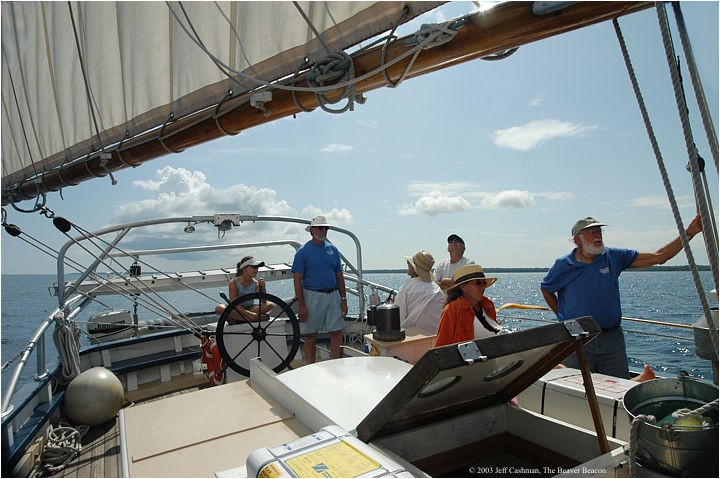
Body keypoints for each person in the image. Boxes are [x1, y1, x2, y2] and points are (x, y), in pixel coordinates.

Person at [540, 214, 703, 379]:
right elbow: (546, 288)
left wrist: (689, 232)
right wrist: (563, 316)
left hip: (611, 337)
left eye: (599, 232)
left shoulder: (614, 257)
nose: (598, 236)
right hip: (577, 337)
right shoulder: (563, 265)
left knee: (618, 385)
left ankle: (637, 380)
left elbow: (659, 257)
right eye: (592, 232)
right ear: (578, 239)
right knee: (575, 386)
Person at [292, 216, 348, 364]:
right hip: (312, 296)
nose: (323, 231)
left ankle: (338, 365)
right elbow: (297, 279)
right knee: (311, 336)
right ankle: (310, 368)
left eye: (326, 228)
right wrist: (301, 305)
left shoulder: (333, 250)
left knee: (336, 334)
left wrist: (344, 300)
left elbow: (339, 276)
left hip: (333, 295)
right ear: (311, 230)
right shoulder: (303, 252)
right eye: (320, 228)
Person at [435, 265, 501, 347]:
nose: (482, 287)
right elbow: (442, 345)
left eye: (484, 283)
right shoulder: (452, 309)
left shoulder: (488, 304)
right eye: (478, 283)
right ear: (463, 287)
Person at [395, 251, 445, 334]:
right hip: (435, 337)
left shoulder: (406, 288)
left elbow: (397, 317)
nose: (408, 265)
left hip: (413, 338)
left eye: (409, 264)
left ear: (414, 269)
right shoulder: (437, 289)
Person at [215, 256, 273, 323]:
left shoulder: (256, 283)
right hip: (236, 309)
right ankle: (251, 319)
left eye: (257, 267)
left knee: (269, 305)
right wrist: (249, 315)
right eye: (253, 267)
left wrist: (263, 287)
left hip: (250, 308)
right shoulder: (233, 282)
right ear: (244, 268)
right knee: (219, 308)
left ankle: (237, 319)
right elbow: (234, 303)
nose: (256, 270)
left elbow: (263, 301)